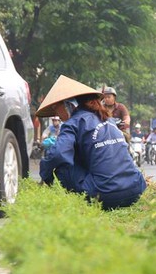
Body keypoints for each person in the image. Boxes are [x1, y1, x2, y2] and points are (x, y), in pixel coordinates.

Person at [36, 75, 146, 210]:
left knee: (62, 167)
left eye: (56, 108)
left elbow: (57, 155)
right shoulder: (109, 120)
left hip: (104, 196)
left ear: (68, 105)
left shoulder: (73, 123)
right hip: (136, 189)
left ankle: (66, 202)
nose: (57, 115)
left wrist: (45, 176)